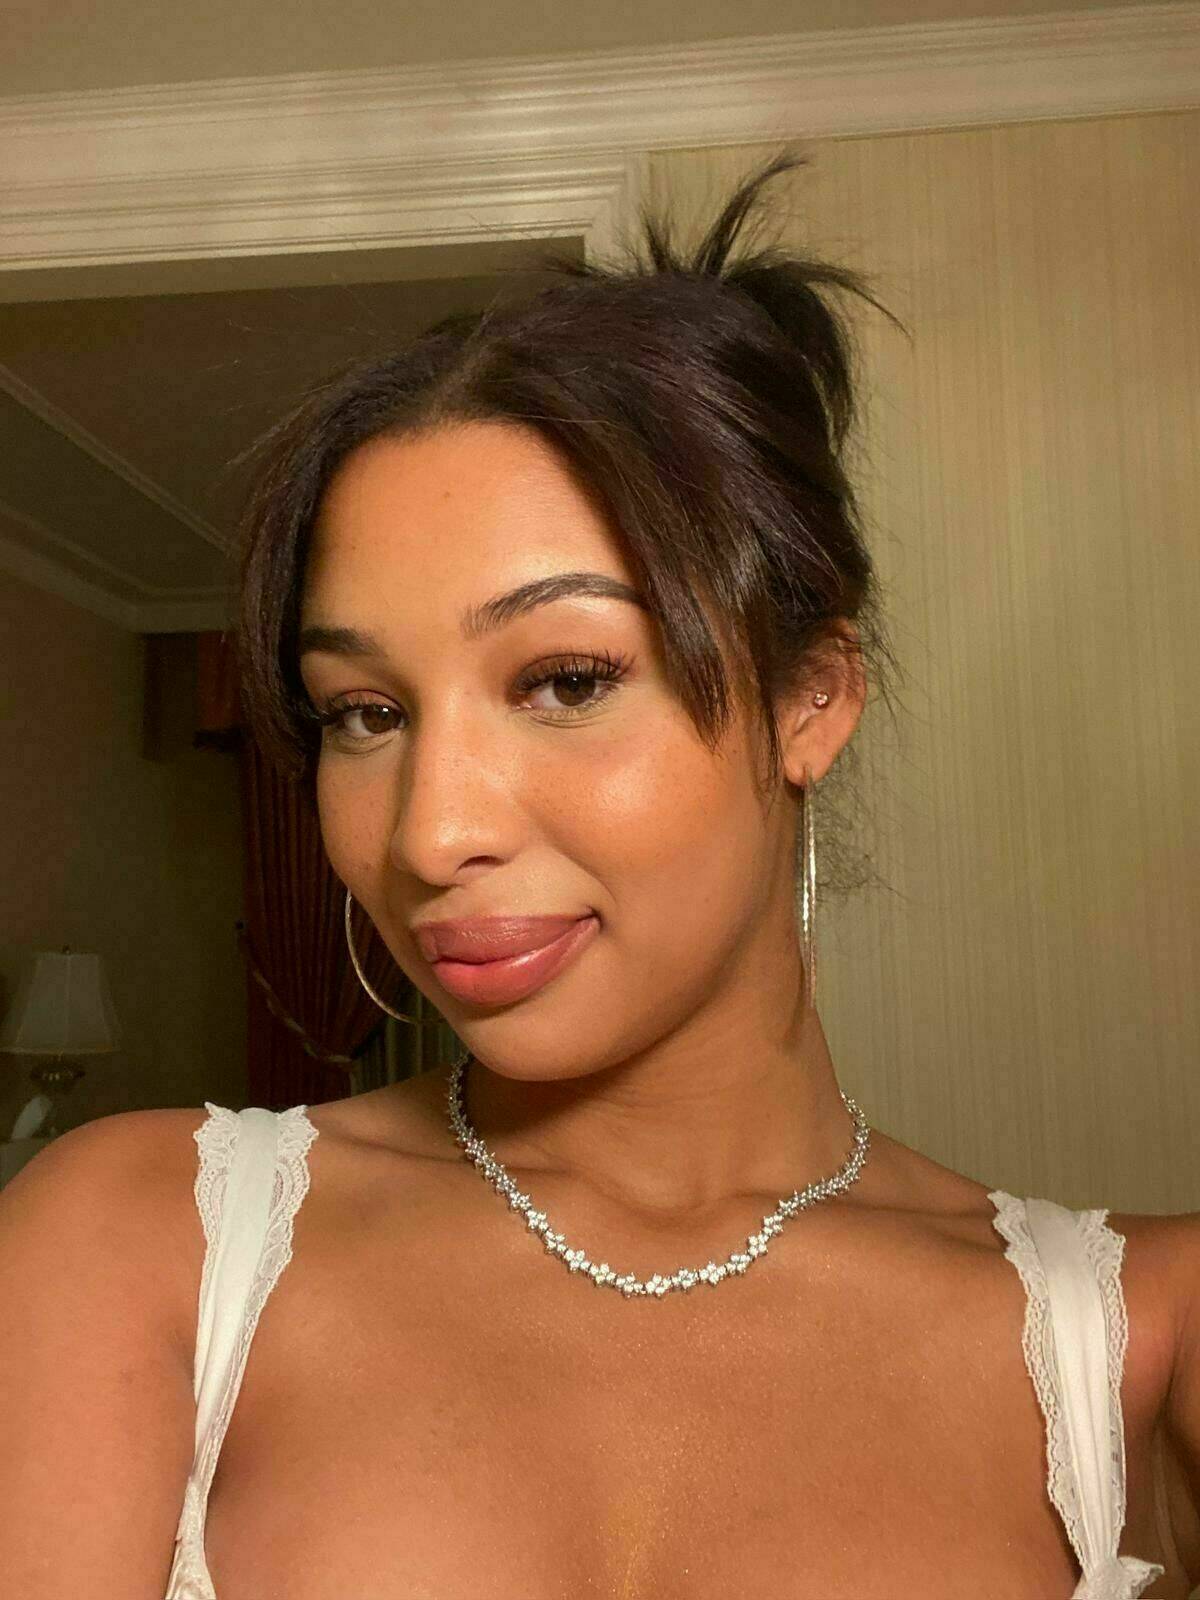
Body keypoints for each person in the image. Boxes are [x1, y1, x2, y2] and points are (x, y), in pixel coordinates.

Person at [2, 146, 1197, 1600]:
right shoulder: (142, 1242)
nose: (430, 833)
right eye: (365, 713)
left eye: (565, 680)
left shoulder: (1139, 1338)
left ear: (810, 697)